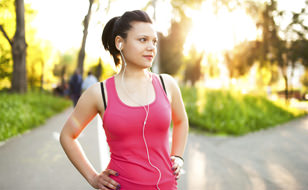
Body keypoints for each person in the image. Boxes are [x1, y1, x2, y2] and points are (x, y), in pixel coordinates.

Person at [60, 10, 189, 190]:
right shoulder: (99, 93)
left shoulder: (166, 84)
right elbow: (67, 136)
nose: (151, 47)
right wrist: (93, 178)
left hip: (167, 185)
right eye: (143, 40)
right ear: (120, 43)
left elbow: (181, 121)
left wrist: (178, 156)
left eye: (154, 41)